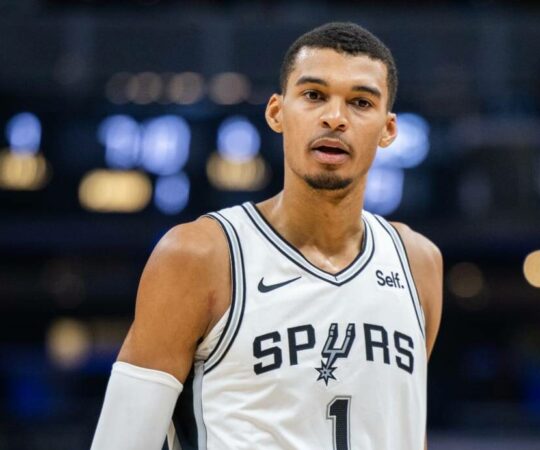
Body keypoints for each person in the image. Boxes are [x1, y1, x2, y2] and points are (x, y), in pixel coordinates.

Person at [91, 21, 443, 450]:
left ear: (388, 129)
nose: (335, 118)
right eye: (314, 95)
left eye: (360, 102)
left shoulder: (418, 262)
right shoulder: (200, 255)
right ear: (277, 112)